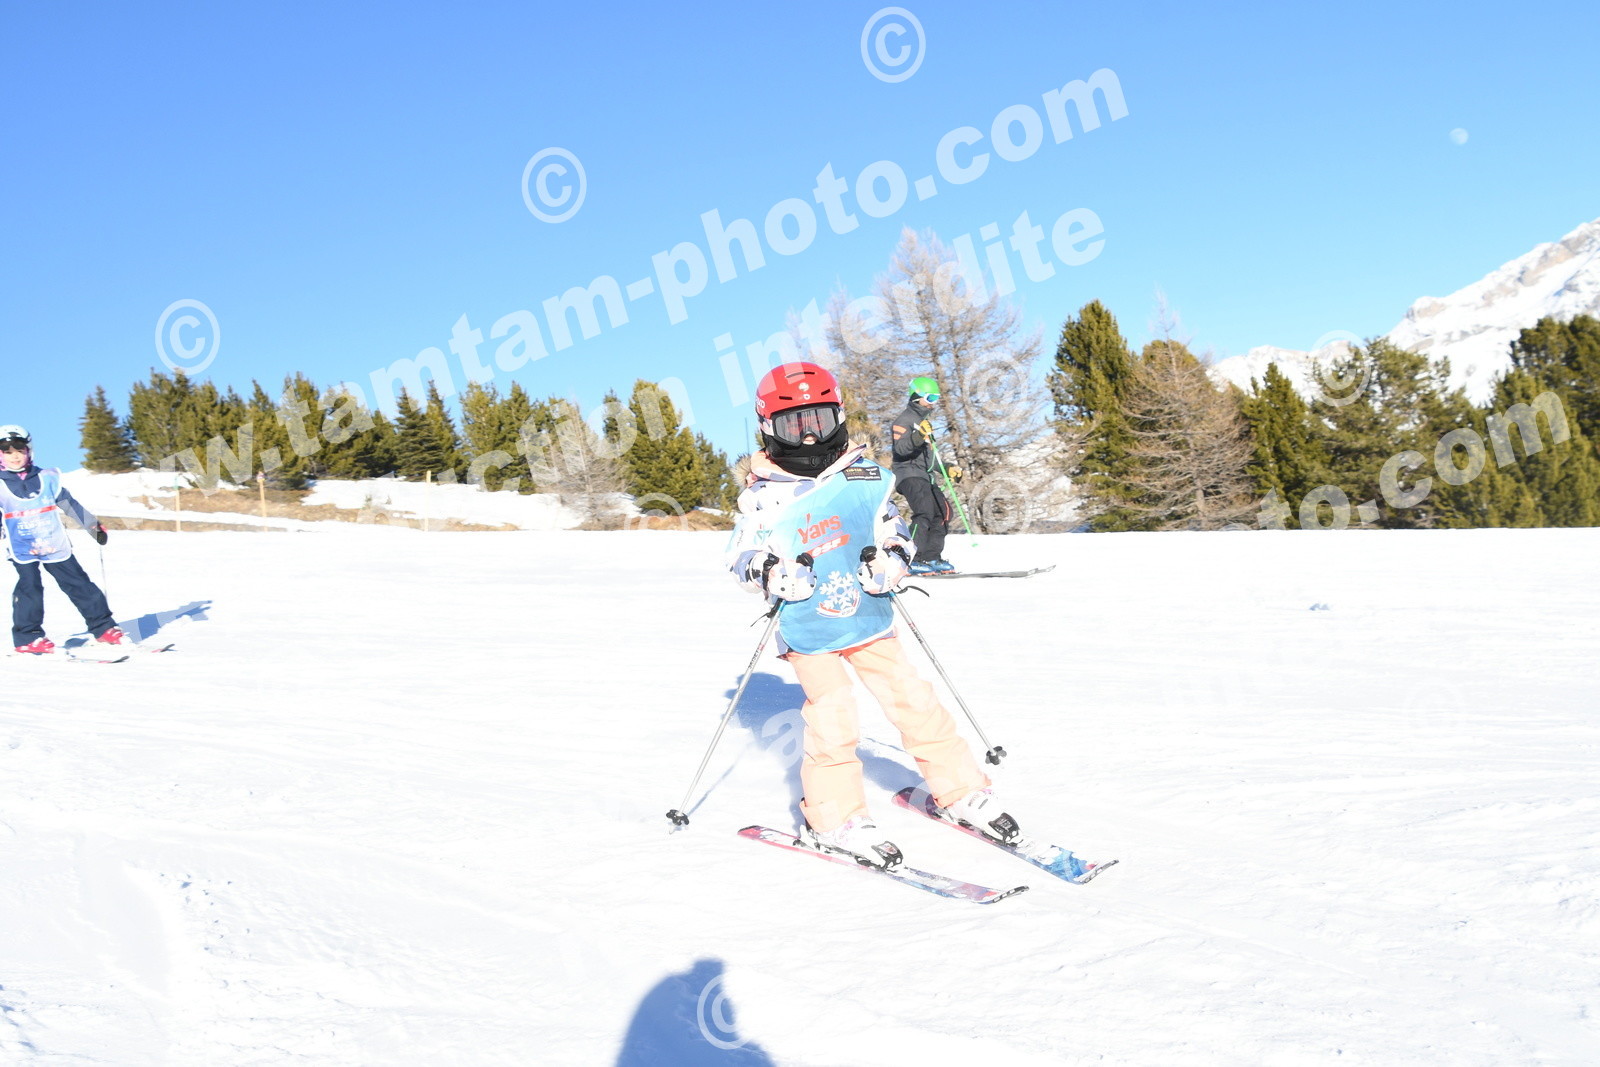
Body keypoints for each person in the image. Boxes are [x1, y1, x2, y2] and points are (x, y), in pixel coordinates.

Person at [725, 363, 1018, 869]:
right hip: (809, 624)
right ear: (769, 429)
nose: (809, 435)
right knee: (833, 714)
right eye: (795, 425)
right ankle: (835, 817)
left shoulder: (864, 476)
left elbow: (893, 530)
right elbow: (739, 555)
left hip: (866, 612)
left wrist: (894, 561)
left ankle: (961, 790)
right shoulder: (761, 496)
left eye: (818, 420)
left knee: (912, 698)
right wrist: (770, 572)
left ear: (838, 416)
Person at [0, 425, 125, 654]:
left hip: (52, 542)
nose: (14, 456)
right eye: (7, 452)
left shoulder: (47, 478)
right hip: (22, 546)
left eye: (19, 450)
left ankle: (104, 627)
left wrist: (92, 526)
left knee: (78, 582)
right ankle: (28, 637)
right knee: (30, 586)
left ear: (29, 450)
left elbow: (69, 504)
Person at [889, 376, 960, 575]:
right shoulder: (904, 421)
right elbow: (901, 449)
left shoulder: (924, 422)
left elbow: (931, 457)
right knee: (924, 513)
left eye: (936, 398)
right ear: (916, 396)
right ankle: (912, 559)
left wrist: (947, 468)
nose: (933, 403)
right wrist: (918, 435)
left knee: (944, 513)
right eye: (930, 397)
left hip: (925, 475)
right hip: (909, 473)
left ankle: (931, 557)